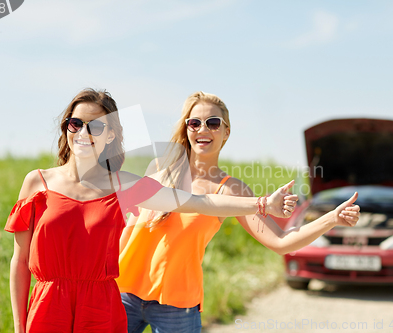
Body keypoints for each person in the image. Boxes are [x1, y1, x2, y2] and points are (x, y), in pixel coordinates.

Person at [5, 88, 312, 333]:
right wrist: (19, 326)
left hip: (101, 311)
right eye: (76, 123)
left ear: (109, 135)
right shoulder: (37, 182)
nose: (84, 132)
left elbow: (199, 202)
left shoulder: (123, 186)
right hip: (47, 309)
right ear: (67, 127)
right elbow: (19, 262)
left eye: (95, 126)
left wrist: (261, 204)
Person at [117, 91, 361, 333]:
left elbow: (281, 241)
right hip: (123, 291)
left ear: (226, 132)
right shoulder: (159, 169)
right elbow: (126, 224)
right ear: (187, 128)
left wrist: (331, 218)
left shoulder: (231, 190)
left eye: (213, 123)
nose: (203, 129)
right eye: (195, 122)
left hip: (177, 304)